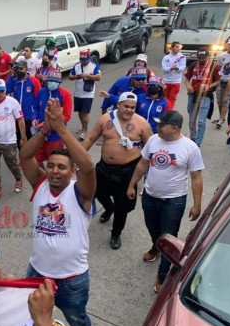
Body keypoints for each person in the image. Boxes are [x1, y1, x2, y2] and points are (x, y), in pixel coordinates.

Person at [19, 98, 96, 326]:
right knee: (34, 317)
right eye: (50, 165)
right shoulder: (40, 184)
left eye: (62, 167)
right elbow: (25, 156)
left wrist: (62, 128)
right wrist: (45, 130)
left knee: (78, 320)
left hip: (71, 279)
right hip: (37, 272)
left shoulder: (80, 191)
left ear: (71, 171)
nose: (54, 171)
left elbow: (89, 167)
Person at [127, 110, 204, 293]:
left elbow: (196, 178)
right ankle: (155, 247)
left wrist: (197, 204)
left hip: (173, 201)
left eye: (162, 125)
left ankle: (163, 275)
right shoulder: (153, 140)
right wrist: (132, 185)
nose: (158, 127)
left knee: (169, 238)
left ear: (174, 128)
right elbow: (142, 165)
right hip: (150, 196)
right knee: (153, 229)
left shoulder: (190, 148)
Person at [81, 92, 152, 250]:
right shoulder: (106, 119)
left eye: (132, 107)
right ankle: (108, 207)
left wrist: (148, 174)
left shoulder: (142, 124)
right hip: (105, 166)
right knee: (97, 191)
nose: (129, 110)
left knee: (122, 204)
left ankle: (116, 233)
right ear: (118, 105)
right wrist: (76, 159)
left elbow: (150, 149)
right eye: (126, 106)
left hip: (128, 169)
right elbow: (91, 138)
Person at [32, 71, 72, 165]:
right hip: (41, 133)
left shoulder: (65, 95)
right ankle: (42, 178)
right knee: (36, 160)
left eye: (55, 82)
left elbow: (67, 115)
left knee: (54, 162)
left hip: (55, 136)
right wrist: (34, 118)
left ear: (59, 83)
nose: (52, 83)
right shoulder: (41, 92)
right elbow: (35, 107)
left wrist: (51, 124)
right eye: (50, 81)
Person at [184, 48, 221, 147]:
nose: (201, 59)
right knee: (192, 119)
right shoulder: (193, 65)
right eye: (199, 57)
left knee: (201, 120)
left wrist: (209, 86)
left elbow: (219, 81)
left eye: (203, 57)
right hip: (193, 95)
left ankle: (198, 142)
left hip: (206, 95)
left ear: (208, 56)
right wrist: (188, 86)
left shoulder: (214, 66)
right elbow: (187, 78)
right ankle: (192, 139)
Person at [68, 50, 102, 140]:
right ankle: (83, 126)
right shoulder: (77, 65)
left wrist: (87, 75)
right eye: (82, 60)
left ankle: (84, 130)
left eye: (85, 60)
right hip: (78, 93)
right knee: (80, 112)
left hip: (88, 94)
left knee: (85, 112)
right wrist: (77, 77)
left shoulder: (94, 65)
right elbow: (70, 76)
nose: (83, 62)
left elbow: (99, 77)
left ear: (89, 58)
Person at [6, 60, 41, 143]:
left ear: (26, 69)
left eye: (21, 69)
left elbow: (39, 99)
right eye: (17, 69)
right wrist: (10, 76)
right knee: (19, 142)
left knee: (31, 142)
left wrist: (36, 116)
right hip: (17, 117)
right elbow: (7, 90)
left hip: (30, 117)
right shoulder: (15, 81)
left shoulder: (34, 81)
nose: (19, 71)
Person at [214, 37, 230, 128]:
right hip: (221, 80)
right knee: (219, 100)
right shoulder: (222, 55)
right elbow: (218, 67)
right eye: (229, 44)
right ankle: (221, 116)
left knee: (226, 100)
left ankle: (221, 119)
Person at [162, 41, 187, 108]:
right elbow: (164, 68)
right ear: (172, 48)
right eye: (176, 47)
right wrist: (170, 69)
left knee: (172, 97)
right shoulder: (166, 57)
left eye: (179, 47)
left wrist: (177, 68)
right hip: (166, 80)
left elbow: (183, 67)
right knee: (166, 97)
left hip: (176, 81)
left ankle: (169, 111)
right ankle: (166, 110)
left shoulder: (182, 57)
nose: (178, 48)